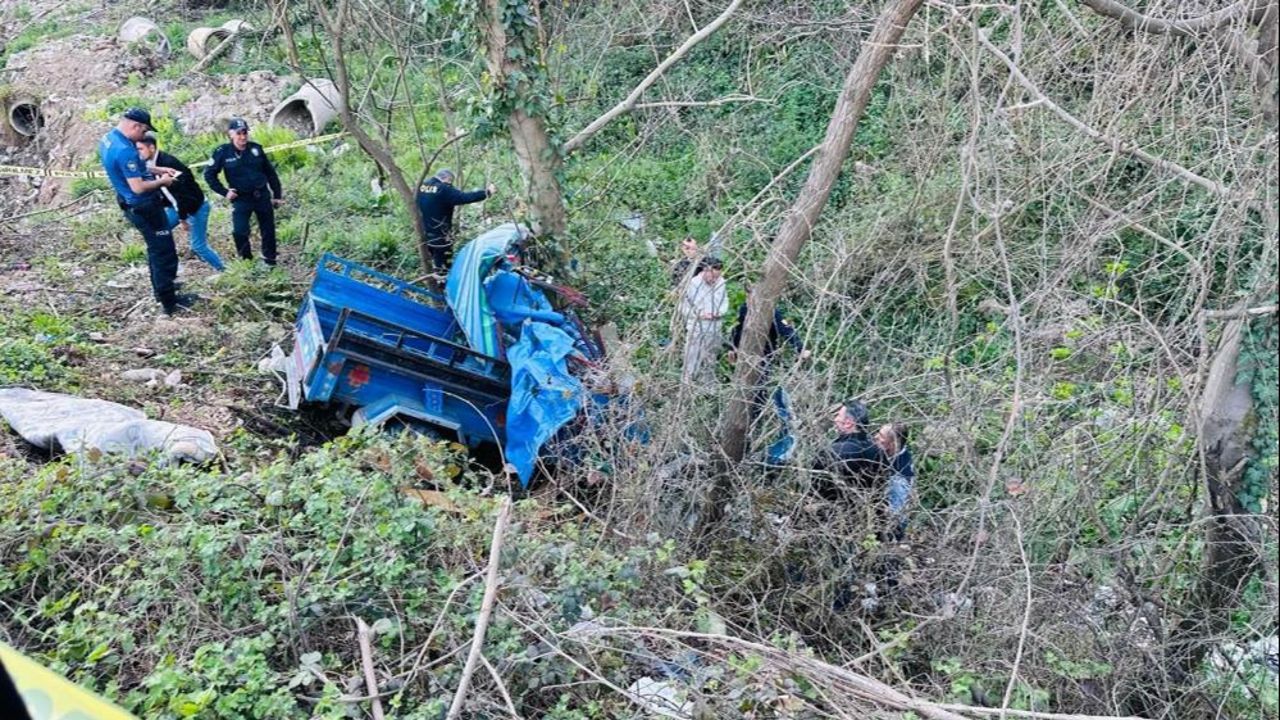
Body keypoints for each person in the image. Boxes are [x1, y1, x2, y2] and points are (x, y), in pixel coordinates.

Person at [98, 108, 195, 315]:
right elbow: (138, 187)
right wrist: (164, 181)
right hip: (144, 206)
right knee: (163, 251)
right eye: (143, 132)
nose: (144, 137)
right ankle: (170, 302)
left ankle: (162, 288)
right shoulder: (125, 150)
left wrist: (157, 170)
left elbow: (131, 171)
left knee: (155, 248)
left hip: (129, 202)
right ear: (135, 126)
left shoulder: (108, 139)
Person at [135, 133, 225, 273]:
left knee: (198, 245)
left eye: (140, 149)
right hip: (174, 207)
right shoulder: (148, 165)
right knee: (159, 232)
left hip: (195, 207)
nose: (138, 153)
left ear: (151, 148)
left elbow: (181, 195)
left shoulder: (168, 163)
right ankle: (168, 269)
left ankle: (224, 269)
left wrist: (183, 218)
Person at [203, 118, 284, 266]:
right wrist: (224, 192)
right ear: (231, 134)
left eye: (245, 133)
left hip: (261, 195)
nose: (243, 137)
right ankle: (247, 261)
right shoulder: (222, 152)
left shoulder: (256, 149)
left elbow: (270, 173)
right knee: (239, 231)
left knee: (268, 230)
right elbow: (209, 174)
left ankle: (270, 261)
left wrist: (277, 195)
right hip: (241, 198)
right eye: (239, 133)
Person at [416, 168, 496, 272]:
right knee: (444, 264)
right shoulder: (443, 189)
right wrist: (487, 192)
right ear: (447, 179)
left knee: (431, 260)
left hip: (423, 232)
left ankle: (433, 279)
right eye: (450, 183)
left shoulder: (422, 185)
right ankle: (442, 284)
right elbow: (464, 197)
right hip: (441, 233)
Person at [816, 399, 886, 500]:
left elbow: (816, 486)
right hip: (866, 510)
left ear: (848, 423)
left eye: (838, 416)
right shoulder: (879, 452)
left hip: (832, 510)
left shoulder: (833, 451)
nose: (835, 420)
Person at [679, 257, 727, 383]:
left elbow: (724, 303)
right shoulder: (692, 284)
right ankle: (687, 384)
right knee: (692, 357)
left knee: (710, 358)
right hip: (697, 327)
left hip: (715, 326)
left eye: (717, 277)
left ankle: (707, 385)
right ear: (705, 271)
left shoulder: (721, 282)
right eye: (713, 276)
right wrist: (699, 314)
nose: (715, 280)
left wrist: (719, 312)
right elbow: (683, 308)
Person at [874, 422, 915, 540]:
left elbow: (897, 512)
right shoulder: (897, 454)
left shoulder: (899, 476)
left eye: (881, 436)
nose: (876, 437)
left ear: (893, 444)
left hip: (888, 531)